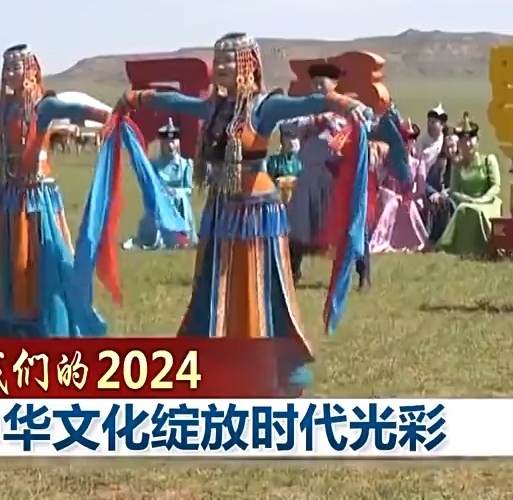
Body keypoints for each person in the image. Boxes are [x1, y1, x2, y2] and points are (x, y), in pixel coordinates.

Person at [115, 33, 379, 396]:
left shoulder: (264, 107)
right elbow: (179, 101)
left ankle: (259, 365)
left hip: (257, 214)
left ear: (248, 65)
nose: (221, 66)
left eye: (229, 59)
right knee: (215, 285)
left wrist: (342, 103)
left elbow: (305, 103)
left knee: (257, 287)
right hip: (221, 209)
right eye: (218, 59)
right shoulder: (214, 107)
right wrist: (138, 98)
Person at [0, 44, 118, 337]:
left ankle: (45, 323)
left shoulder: (43, 106)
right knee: (10, 261)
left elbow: (73, 109)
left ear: (31, 70)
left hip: (37, 196)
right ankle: (14, 323)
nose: (9, 74)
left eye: (15, 67)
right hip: (9, 195)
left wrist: (108, 117)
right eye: (6, 68)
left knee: (44, 258)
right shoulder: (5, 108)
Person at [285, 63, 347, 282]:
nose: (318, 87)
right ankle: (293, 271)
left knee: (341, 229)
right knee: (298, 225)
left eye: (322, 83)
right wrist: (315, 120)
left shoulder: (344, 108)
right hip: (308, 177)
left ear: (334, 84)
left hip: (334, 178)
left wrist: (334, 122)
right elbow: (287, 128)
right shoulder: (305, 109)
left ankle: (352, 275)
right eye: (314, 83)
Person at [123, 119, 196, 251]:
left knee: (181, 199)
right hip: (162, 207)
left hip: (180, 205)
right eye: (167, 141)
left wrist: (176, 192)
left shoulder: (186, 165)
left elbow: (189, 189)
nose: (170, 145)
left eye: (173, 141)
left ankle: (182, 235)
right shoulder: (155, 165)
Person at [435, 114, 503, 256]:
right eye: (463, 141)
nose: (467, 144)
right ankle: (461, 248)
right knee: (464, 209)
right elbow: (454, 190)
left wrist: (482, 200)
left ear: (477, 141)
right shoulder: (457, 166)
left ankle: (489, 248)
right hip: (467, 202)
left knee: (477, 211)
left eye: (470, 140)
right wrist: (468, 199)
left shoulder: (488, 160)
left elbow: (496, 186)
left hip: (488, 203)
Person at [368, 120, 428, 254]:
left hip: (410, 199)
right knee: (391, 202)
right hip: (388, 197)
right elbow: (380, 182)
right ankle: (380, 239)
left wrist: (407, 197)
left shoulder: (418, 162)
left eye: (412, 138)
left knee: (403, 204)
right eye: (405, 138)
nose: (408, 142)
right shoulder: (389, 160)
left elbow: (420, 190)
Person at [424, 130, 458, 248]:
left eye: (453, 146)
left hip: (458, 196)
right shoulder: (440, 164)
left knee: (448, 203)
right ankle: (434, 239)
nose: (450, 150)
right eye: (447, 147)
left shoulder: (461, 163)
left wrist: (448, 192)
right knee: (440, 203)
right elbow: (427, 185)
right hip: (441, 198)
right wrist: (434, 193)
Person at [417, 103, 448, 173]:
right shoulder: (421, 141)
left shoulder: (445, 142)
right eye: (429, 121)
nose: (429, 125)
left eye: (433, 122)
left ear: (442, 125)